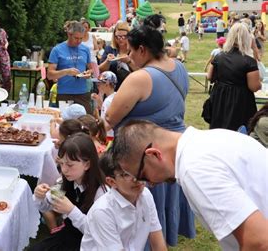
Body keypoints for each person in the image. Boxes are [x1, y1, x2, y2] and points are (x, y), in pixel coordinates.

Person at [104, 18, 196, 246]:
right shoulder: (180, 67)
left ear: (142, 50)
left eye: (132, 51)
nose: (130, 56)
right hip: (173, 151)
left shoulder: (141, 78)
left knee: (145, 210)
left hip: (145, 156)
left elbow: (110, 117)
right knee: (162, 207)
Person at [112, 120, 268, 250]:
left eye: (143, 176)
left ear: (153, 154)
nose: (149, 184)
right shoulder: (211, 138)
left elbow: (259, 242)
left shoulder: (194, 169)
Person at [31, 133, 107, 250]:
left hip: (88, 244)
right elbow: (47, 206)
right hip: (67, 236)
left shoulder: (101, 193)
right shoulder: (65, 182)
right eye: (61, 163)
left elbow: (97, 233)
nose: (64, 170)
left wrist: (71, 210)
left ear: (87, 164)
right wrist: (39, 196)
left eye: (70, 165)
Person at [80, 150, 166, 251]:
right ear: (112, 182)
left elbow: (157, 240)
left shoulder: (145, 195)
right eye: (126, 174)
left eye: (138, 170)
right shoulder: (102, 211)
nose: (136, 178)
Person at [207, 22, 261, 130]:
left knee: (219, 129)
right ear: (247, 38)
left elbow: (209, 76)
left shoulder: (219, 56)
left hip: (220, 97)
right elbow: (254, 87)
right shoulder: (249, 61)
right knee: (238, 132)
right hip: (240, 100)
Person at [47, 21, 93, 113]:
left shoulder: (85, 49)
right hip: (65, 94)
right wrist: (66, 72)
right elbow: (50, 75)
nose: (79, 41)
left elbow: (90, 68)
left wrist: (89, 73)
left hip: (83, 93)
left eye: (81, 38)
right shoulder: (57, 50)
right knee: (65, 123)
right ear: (69, 34)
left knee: (86, 122)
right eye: (76, 38)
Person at [98, 21, 135, 91]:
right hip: (112, 89)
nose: (121, 39)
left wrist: (129, 61)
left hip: (131, 88)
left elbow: (140, 70)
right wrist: (107, 61)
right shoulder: (110, 49)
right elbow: (101, 69)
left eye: (124, 36)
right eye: (118, 36)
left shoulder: (134, 50)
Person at [91, 71, 117, 141]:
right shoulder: (115, 96)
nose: (97, 85)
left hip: (108, 136)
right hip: (114, 134)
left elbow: (109, 123)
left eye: (99, 83)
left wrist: (98, 133)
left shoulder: (108, 101)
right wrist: (100, 102)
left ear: (107, 84)